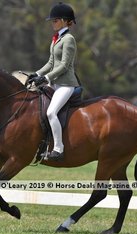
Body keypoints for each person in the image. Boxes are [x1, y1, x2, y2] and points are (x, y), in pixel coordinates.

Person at [28, 2, 80, 161]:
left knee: (51, 112)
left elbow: (64, 65)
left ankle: (58, 148)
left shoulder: (68, 39)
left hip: (66, 85)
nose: (53, 22)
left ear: (65, 21)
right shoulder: (56, 39)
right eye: (52, 20)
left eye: (55, 20)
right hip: (53, 84)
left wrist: (46, 78)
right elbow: (51, 63)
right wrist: (36, 73)